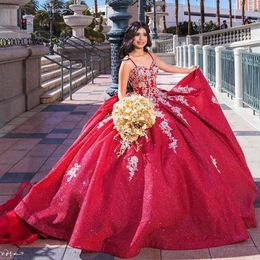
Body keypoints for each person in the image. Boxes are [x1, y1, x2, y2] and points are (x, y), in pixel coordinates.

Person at [0, 21, 258, 258]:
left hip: (160, 104)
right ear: (131, 38)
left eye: (144, 35)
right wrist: (129, 114)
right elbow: (122, 94)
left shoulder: (151, 55)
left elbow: (168, 68)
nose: (141, 39)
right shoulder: (127, 63)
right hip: (135, 108)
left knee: (184, 150)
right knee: (116, 160)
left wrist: (189, 69)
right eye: (137, 35)